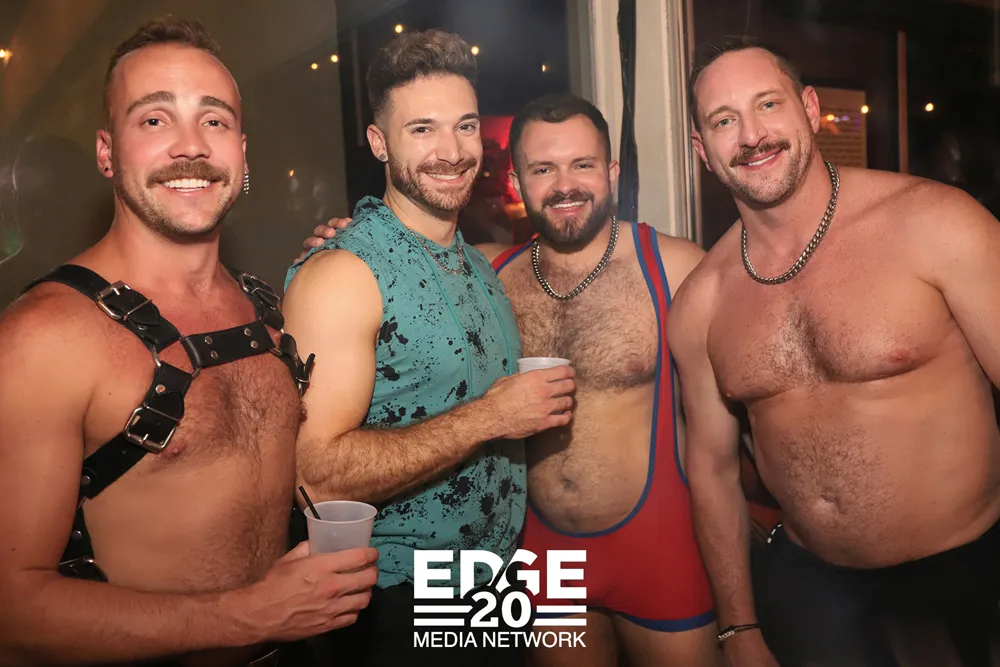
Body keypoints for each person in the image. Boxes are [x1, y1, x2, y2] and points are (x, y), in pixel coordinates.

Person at [0, 18, 378, 667]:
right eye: (154, 120)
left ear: (242, 153)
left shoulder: (265, 310)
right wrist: (251, 615)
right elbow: (10, 611)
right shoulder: (44, 339)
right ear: (107, 152)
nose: (191, 146)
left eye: (214, 120)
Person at [302, 92, 721, 666]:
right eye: (543, 169)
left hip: (657, 544)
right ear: (518, 182)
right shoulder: (487, 272)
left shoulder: (675, 266)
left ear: (612, 172)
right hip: (538, 554)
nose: (565, 185)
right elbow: (398, 261)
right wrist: (341, 246)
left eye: (582, 164)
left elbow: (733, 414)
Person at [670, 34, 1000, 667]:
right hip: (813, 593)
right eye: (724, 120)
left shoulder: (936, 224)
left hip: (965, 582)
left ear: (811, 109)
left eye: (768, 104)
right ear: (702, 150)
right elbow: (712, 473)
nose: (752, 136)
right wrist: (738, 628)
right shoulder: (700, 305)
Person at [281, 29, 575, 667]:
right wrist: (492, 417)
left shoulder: (474, 263)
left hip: (492, 584)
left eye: (465, 126)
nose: (452, 151)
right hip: (397, 598)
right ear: (379, 143)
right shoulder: (343, 275)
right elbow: (316, 476)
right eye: (422, 130)